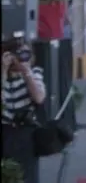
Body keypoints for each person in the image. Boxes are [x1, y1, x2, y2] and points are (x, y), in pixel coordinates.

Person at [1, 36, 46, 183]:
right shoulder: (3, 76)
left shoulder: (35, 72)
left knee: (29, 176)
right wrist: (3, 71)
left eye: (26, 54)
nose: (22, 58)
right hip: (5, 133)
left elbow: (39, 97)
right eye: (18, 54)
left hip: (26, 132)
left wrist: (27, 73)